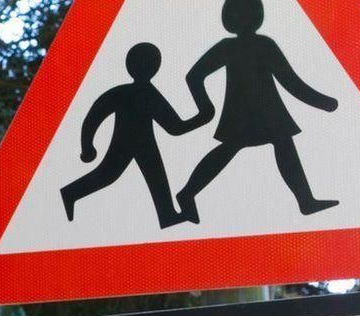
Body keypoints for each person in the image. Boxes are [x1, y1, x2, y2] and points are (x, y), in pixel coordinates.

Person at [177, 0, 340, 224]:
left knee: (277, 144)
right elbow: (290, 81)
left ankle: (305, 200)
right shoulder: (258, 45)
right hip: (255, 112)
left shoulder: (234, 46)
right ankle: (188, 192)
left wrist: (205, 106)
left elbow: (289, 80)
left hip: (259, 111)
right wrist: (322, 102)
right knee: (248, 147)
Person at [61, 42, 202, 229]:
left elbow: (94, 116)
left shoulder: (127, 92)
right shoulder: (143, 93)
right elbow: (175, 127)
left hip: (142, 143)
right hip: (129, 143)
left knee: (150, 176)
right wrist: (203, 117)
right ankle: (70, 193)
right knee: (110, 175)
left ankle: (167, 214)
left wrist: (88, 145)